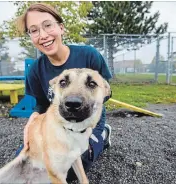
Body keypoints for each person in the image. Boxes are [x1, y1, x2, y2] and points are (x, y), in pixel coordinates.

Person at [15, 3, 112, 182]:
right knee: (26, 161)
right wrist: (34, 117)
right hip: (57, 124)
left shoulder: (89, 55)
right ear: (30, 36)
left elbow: (106, 92)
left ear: (61, 27)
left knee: (70, 169)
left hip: (88, 124)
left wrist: (87, 125)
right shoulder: (36, 70)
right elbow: (42, 104)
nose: (43, 35)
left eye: (47, 25)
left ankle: (103, 135)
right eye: (34, 30)